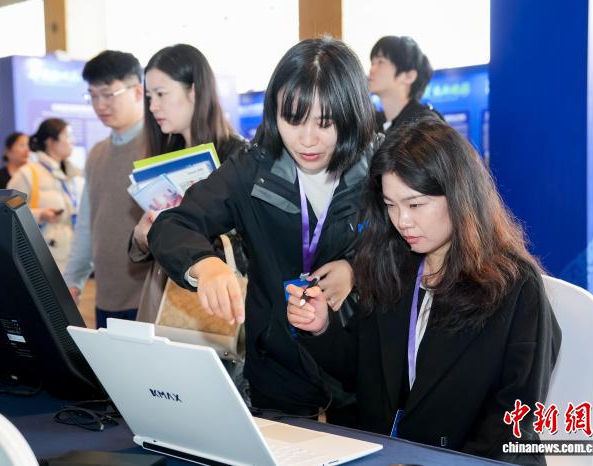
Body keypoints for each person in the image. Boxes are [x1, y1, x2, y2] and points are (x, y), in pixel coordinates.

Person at [287, 118, 561, 465]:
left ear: (460, 197)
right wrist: (321, 327)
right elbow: (359, 372)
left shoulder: (513, 285)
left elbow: (513, 421)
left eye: (415, 205)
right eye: (390, 205)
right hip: (388, 455)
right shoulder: (393, 266)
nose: (402, 220)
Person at [147, 37, 379, 422]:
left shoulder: (379, 167)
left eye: (325, 122)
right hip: (278, 368)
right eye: (293, 119)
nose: (307, 139)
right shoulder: (253, 169)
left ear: (352, 113)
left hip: (358, 365)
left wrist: (358, 269)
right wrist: (205, 266)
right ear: (274, 112)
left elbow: (412, 249)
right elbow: (172, 224)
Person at [129, 43, 247, 324]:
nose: (153, 106)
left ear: (194, 91)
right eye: (149, 97)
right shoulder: (165, 154)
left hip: (215, 298)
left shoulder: (239, 157)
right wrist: (141, 237)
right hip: (165, 296)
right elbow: (146, 241)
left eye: (161, 94)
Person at [62, 50, 151, 330]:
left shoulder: (159, 147)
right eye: (93, 95)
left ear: (137, 91)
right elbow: (87, 223)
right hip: (106, 296)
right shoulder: (97, 154)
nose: (99, 105)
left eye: (108, 94)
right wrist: (73, 279)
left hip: (149, 297)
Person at [8, 118, 81, 271]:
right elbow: (7, 213)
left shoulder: (73, 175)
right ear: (50, 141)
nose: (73, 141)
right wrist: (40, 215)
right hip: (41, 259)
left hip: (71, 254)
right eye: (68, 136)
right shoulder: (27, 174)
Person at [368, 36, 441, 134]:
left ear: (409, 76)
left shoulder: (425, 126)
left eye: (380, 62)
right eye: (372, 63)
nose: (371, 70)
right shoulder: (374, 125)